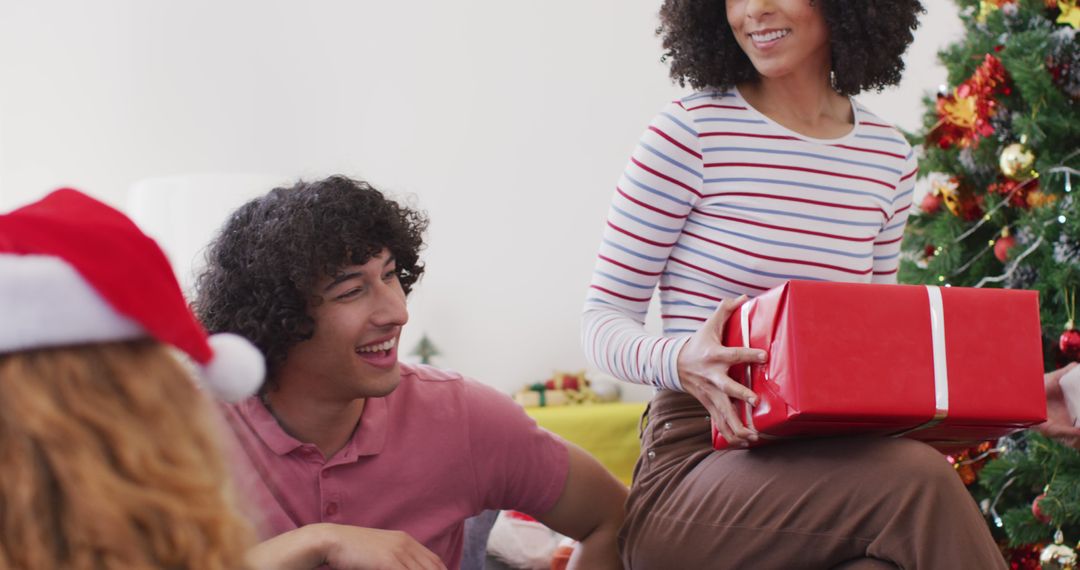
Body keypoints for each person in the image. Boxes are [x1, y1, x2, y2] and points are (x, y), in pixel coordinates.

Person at [582, 1, 1020, 567]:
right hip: (695, 465)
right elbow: (600, 321)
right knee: (919, 480)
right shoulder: (690, 132)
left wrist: (1022, 388)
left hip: (826, 459)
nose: (755, 10)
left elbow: (876, 350)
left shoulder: (887, 157)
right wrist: (680, 359)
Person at [193, 175, 628, 570]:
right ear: (278, 318)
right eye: (351, 292)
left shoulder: (461, 415)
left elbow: (613, 518)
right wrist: (318, 543)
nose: (397, 312)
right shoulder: (188, 431)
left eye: (390, 276)